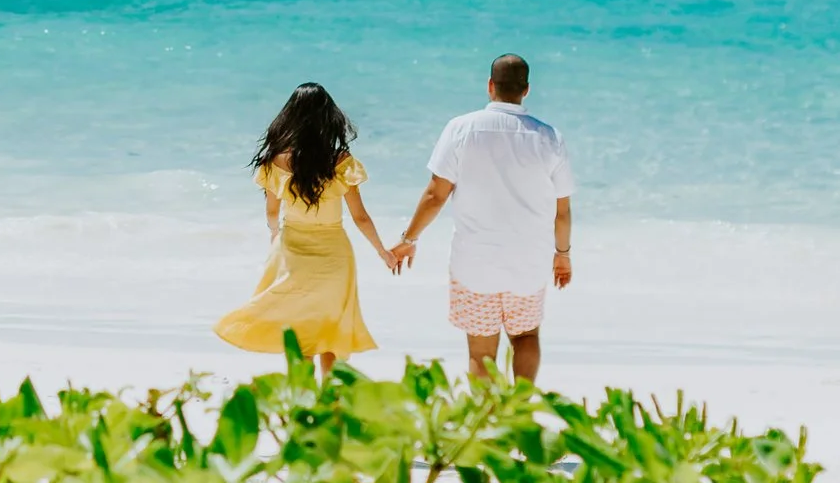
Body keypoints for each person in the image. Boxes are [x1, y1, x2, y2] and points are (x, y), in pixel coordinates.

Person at [389, 54, 574, 381]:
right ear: (526, 90)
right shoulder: (549, 137)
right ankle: (520, 411)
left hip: (475, 262)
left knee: (481, 352)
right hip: (528, 261)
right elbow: (562, 210)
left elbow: (436, 195)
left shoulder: (461, 128)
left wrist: (409, 239)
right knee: (526, 337)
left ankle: (487, 421)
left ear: (490, 86)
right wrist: (562, 255)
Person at [215, 83, 395, 371]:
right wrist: (382, 251)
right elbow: (360, 216)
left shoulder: (276, 161)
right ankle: (329, 403)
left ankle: (302, 398)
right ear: (330, 118)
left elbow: (272, 212)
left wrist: (276, 235)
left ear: (291, 117)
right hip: (335, 254)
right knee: (331, 326)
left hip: (293, 251)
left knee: (299, 325)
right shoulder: (341, 161)